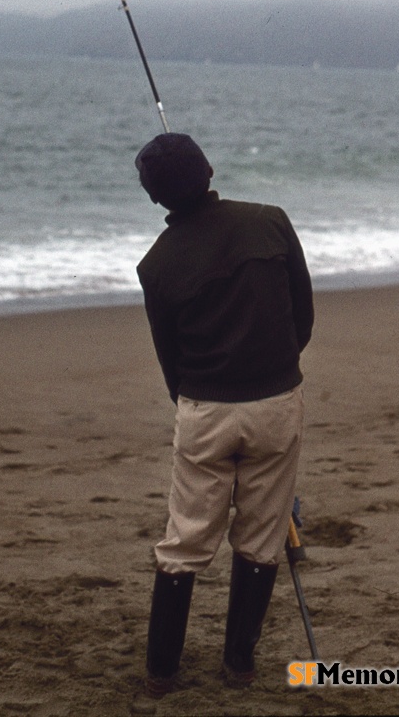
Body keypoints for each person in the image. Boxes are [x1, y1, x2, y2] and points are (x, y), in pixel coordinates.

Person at [134, 132, 314, 697]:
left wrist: (199, 402)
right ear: (209, 170)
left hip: (204, 410)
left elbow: (172, 362)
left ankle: (162, 672)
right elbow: (301, 315)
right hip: (277, 402)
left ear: (155, 199)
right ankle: (239, 663)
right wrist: (272, 367)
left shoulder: (156, 264)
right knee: (262, 537)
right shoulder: (270, 221)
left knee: (185, 541)